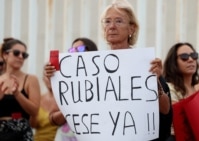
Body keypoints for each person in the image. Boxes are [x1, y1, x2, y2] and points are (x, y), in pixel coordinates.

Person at [44, 0, 172, 140]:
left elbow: (165, 109)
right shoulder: (91, 69)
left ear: (132, 29)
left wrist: (156, 80)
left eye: (118, 21)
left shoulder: (144, 63)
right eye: (107, 21)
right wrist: (57, 80)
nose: (111, 26)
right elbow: (52, 119)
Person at [45, 37, 98, 141]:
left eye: (81, 49)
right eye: (72, 50)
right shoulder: (64, 81)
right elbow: (52, 119)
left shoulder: (102, 80)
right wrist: (70, 110)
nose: (75, 53)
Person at [0, 37, 41, 141]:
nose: (20, 57)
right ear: (5, 55)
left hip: (22, 132)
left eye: (24, 55)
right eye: (16, 53)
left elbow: (35, 111)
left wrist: (17, 94)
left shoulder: (31, 79)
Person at [31, 76, 59, 141]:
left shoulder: (65, 101)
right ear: (43, 79)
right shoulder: (38, 99)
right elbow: (33, 125)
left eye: (54, 76)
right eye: (47, 76)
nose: (50, 79)